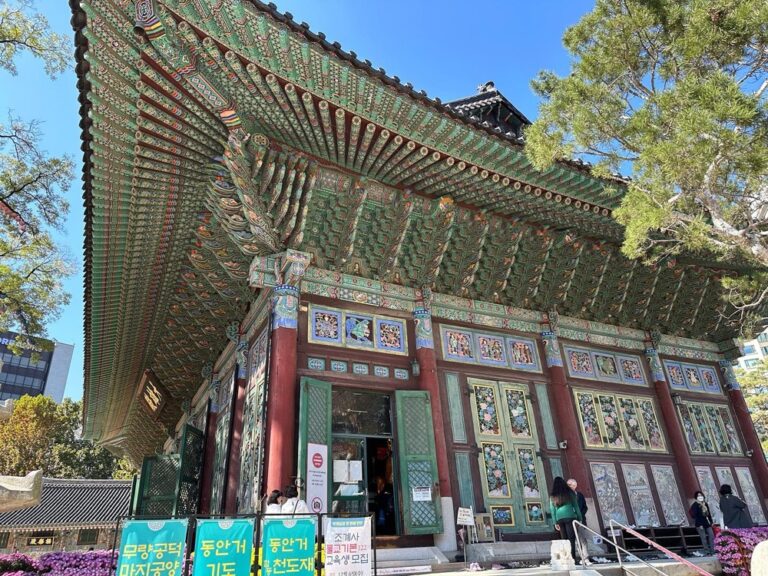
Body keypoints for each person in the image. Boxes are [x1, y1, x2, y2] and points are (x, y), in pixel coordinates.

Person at [549, 476, 583, 562]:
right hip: (570, 516)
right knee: (571, 538)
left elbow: (552, 510)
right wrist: (579, 518)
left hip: (559, 517)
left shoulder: (553, 496)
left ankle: (566, 559)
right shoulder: (570, 492)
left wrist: (555, 522)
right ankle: (572, 559)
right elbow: (576, 506)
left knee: (564, 539)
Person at [689, 491, 715, 555]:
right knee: (703, 538)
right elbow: (695, 515)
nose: (700, 497)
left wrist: (711, 522)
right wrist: (700, 524)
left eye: (701, 495)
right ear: (696, 497)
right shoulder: (695, 505)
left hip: (707, 523)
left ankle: (713, 551)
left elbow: (708, 514)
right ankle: (707, 552)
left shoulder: (705, 504)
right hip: (699, 523)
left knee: (711, 536)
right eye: (698, 495)